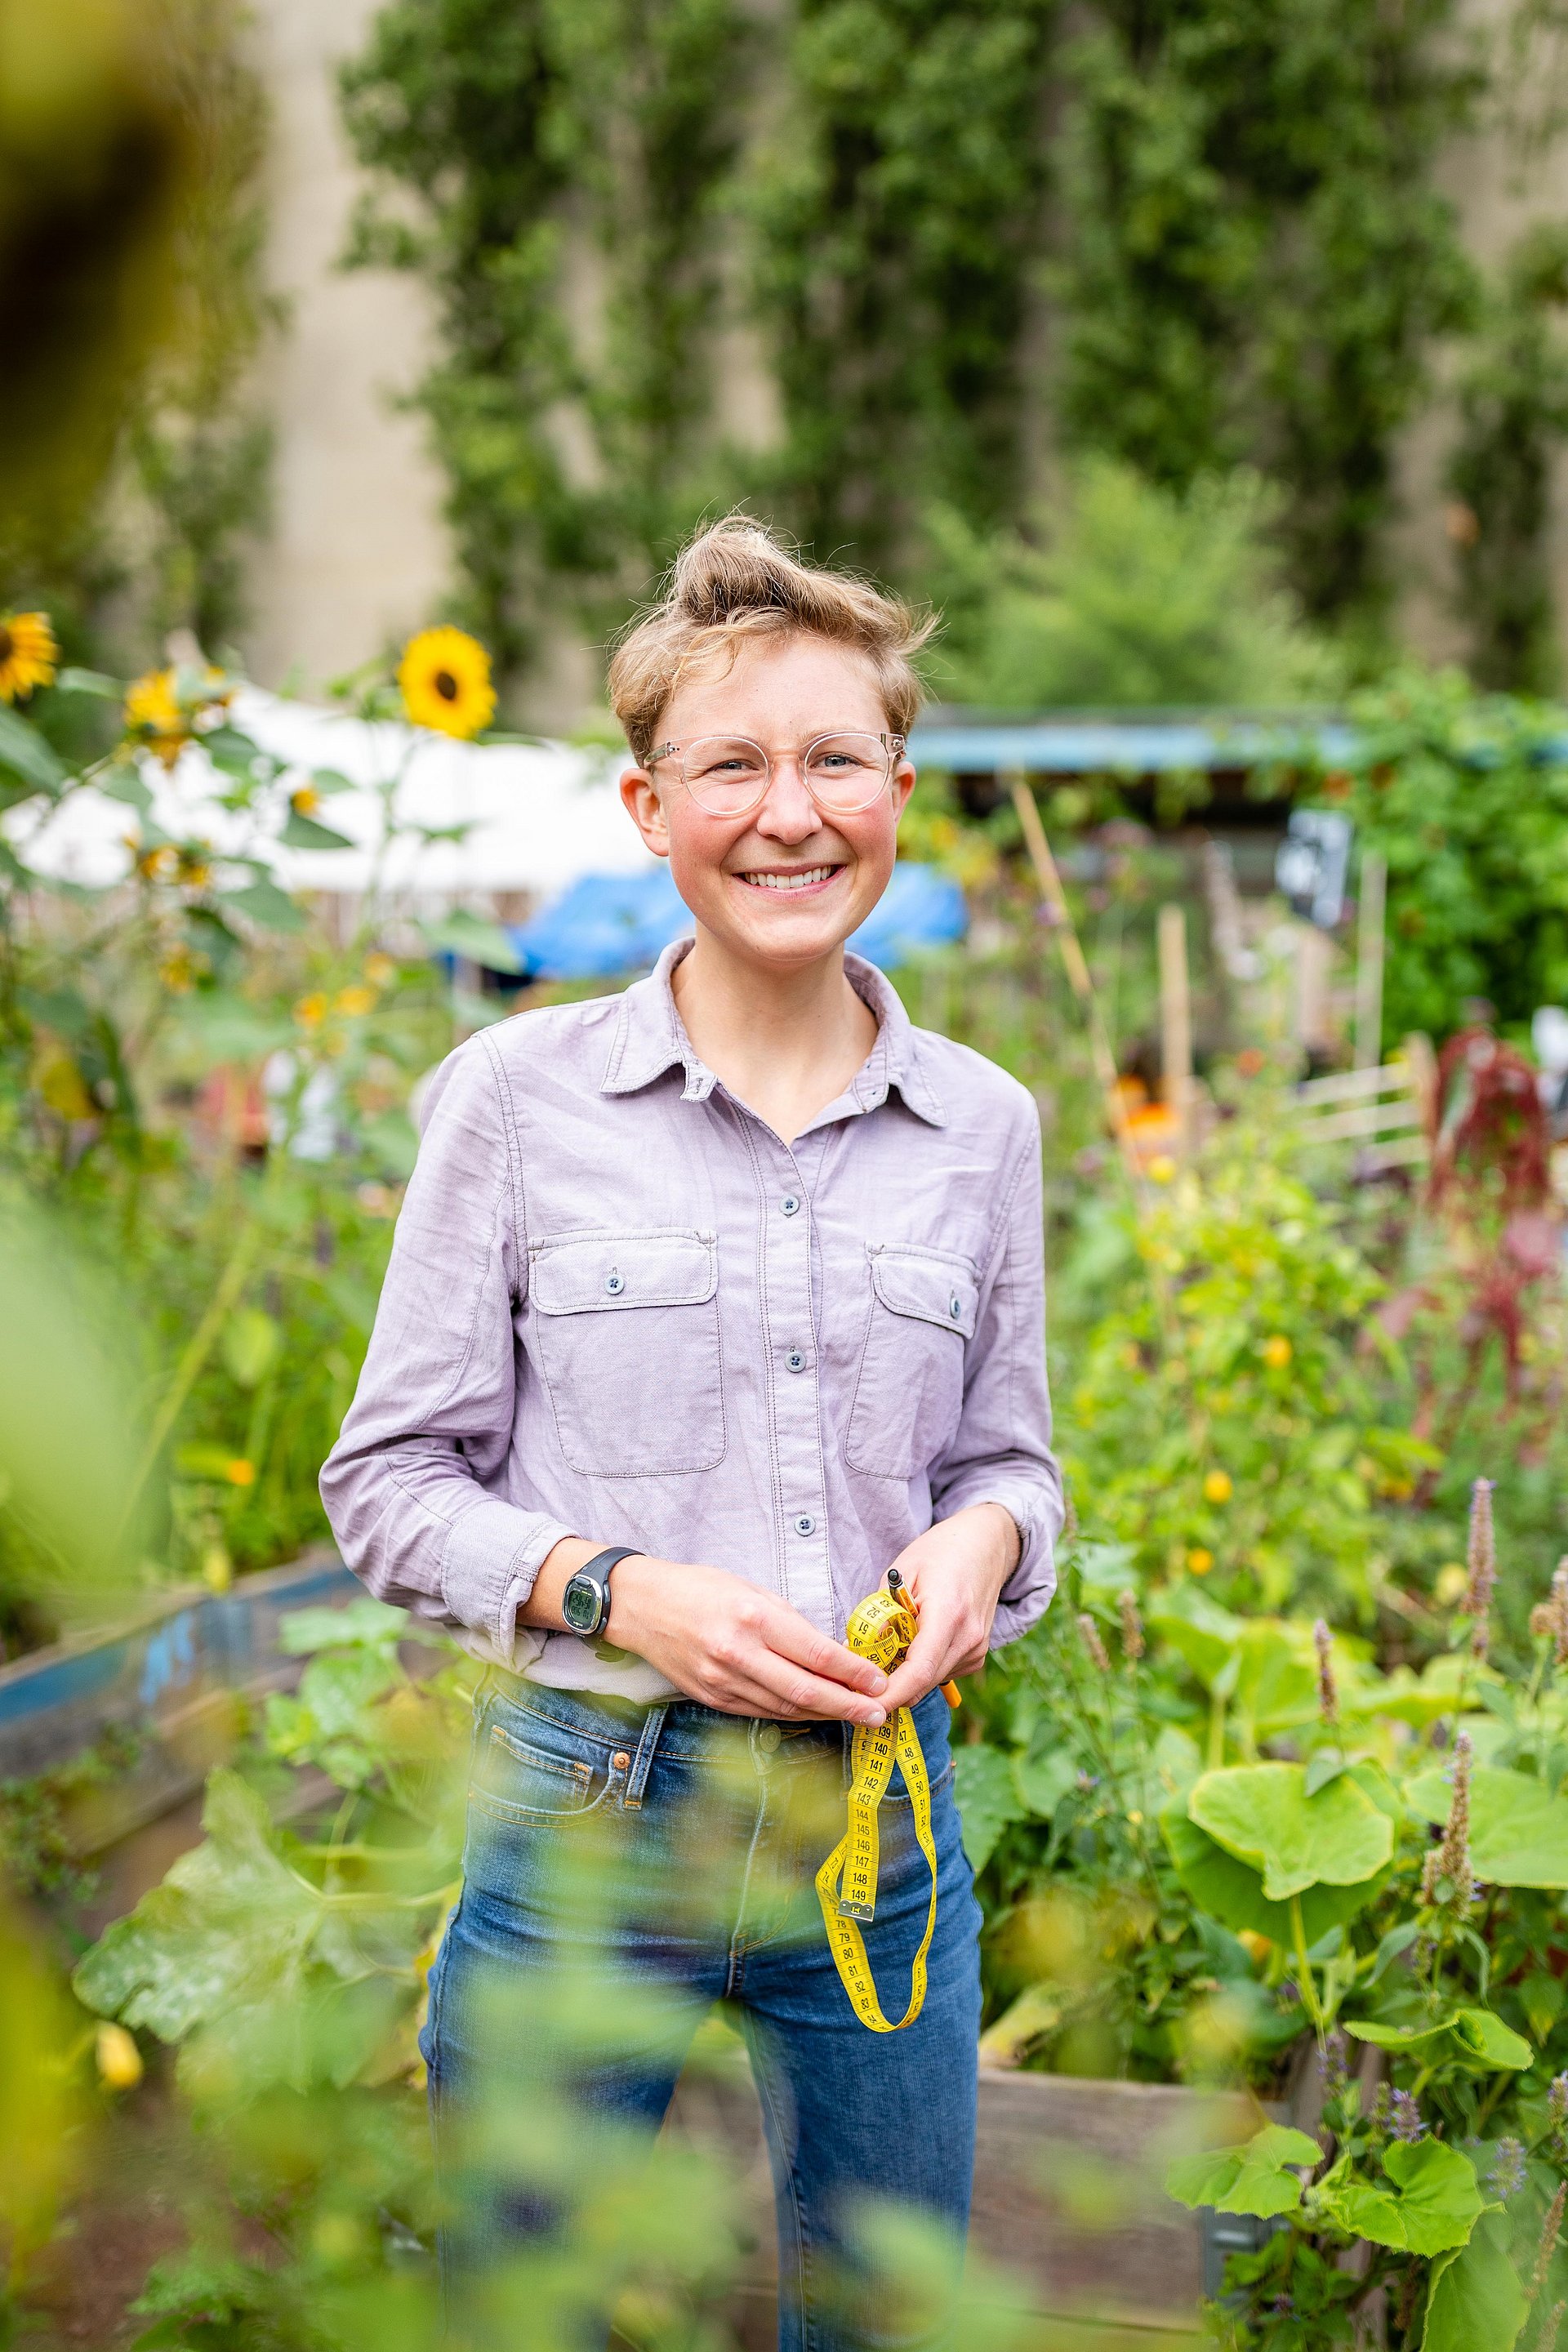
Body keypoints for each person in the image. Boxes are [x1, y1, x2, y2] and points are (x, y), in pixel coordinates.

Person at [320, 516, 1063, 2350]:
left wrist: (989, 1545)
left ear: (900, 789)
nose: (788, 812)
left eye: (834, 761)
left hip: (881, 1847)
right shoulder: (513, 1101)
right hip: (588, 1815)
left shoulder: (986, 1126)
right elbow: (384, 1484)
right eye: (731, 764)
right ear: (652, 811)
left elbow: (1012, 1463)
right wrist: (617, 1590)